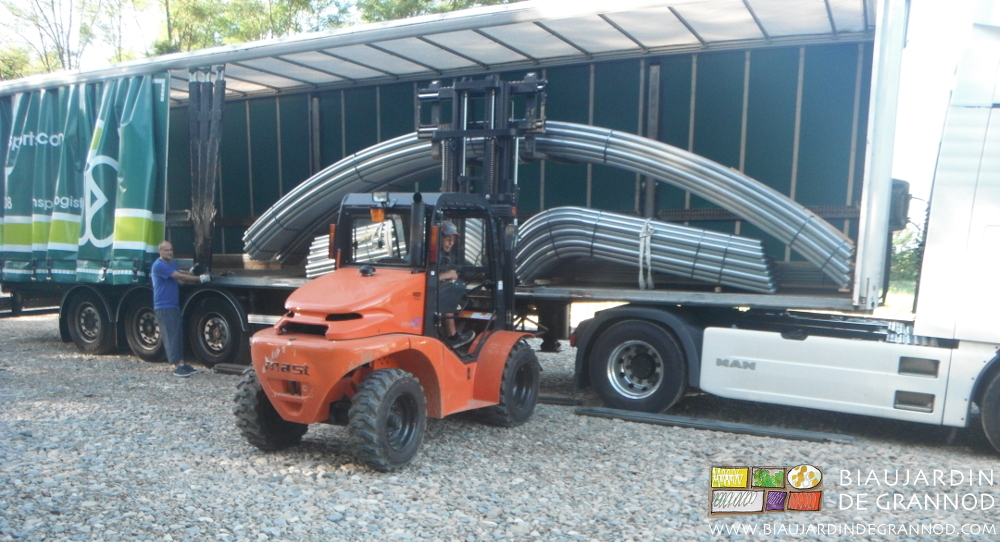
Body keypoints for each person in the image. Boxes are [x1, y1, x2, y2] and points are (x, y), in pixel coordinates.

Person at [152, 240, 210, 377]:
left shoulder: (171, 264)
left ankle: (182, 364)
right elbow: (179, 276)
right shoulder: (159, 265)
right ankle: (177, 367)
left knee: (177, 335)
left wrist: (191, 273)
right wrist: (200, 278)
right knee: (171, 336)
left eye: (171, 249)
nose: (170, 252)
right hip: (164, 305)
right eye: (166, 250)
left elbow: (180, 282)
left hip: (173, 304)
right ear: (160, 251)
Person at [438, 221, 475, 348]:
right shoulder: (430, 255)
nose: (451, 243)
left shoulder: (442, 256)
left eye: (453, 240)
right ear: (438, 238)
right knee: (452, 288)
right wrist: (446, 275)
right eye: (448, 239)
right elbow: (425, 278)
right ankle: (452, 336)